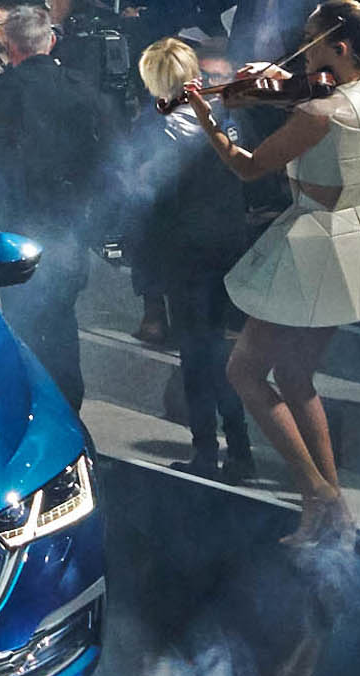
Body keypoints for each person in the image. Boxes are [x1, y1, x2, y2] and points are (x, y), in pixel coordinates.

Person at [183, 0, 360, 546]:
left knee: (244, 372)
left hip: (312, 239)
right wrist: (275, 86)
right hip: (350, 233)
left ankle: (320, 493)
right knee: (294, 377)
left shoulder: (321, 112)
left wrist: (206, 118)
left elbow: (247, 166)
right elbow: (309, 95)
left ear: (339, 48)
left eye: (311, 44)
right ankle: (329, 511)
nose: (302, 55)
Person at [0, 3, 117, 410]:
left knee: (22, 323)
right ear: (51, 41)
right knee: (62, 322)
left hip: (15, 228)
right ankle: (69, 408)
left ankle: (31, 408)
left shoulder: (1, 92)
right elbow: (108, 154)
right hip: (67, 227)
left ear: (11, 47)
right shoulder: (81, 89)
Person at [130, 38, 255, 482]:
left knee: (196, 355)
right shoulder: (224, 116)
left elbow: (148, 191)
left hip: (185, 249)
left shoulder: (156, 124)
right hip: (227, 240)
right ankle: (239, 449)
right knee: (218, 348)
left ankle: (207, 451)